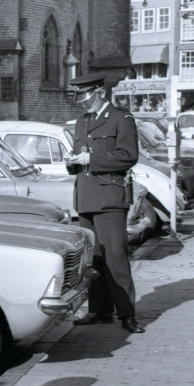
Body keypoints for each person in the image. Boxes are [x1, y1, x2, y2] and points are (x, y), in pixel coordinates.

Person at [65, 73, 145, 334]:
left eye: (86, 96)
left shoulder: (122, 119)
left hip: (109, 198)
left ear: (100, 92)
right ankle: (99, 310)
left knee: (116, 257)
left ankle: (127, 314)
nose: (83, 103)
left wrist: (91, 158)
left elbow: (128, 156)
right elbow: (80, 159)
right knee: (94, 260)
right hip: (86, 196)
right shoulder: (82, 121)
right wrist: (72, 161)